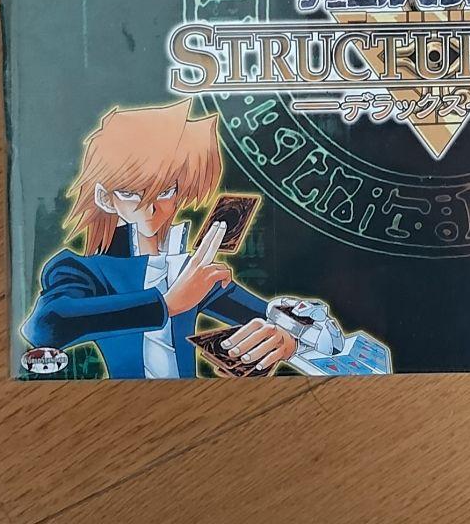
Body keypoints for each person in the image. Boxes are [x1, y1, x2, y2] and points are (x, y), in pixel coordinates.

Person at [22, 100, 298, 379]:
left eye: (165, 191)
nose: (150, 208)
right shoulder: (86, 270)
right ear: (105, 198)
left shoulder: (190, 271)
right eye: (130, 194)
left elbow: (274, 320)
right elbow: (44, 327)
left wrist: (286, 343)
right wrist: (167, 304)